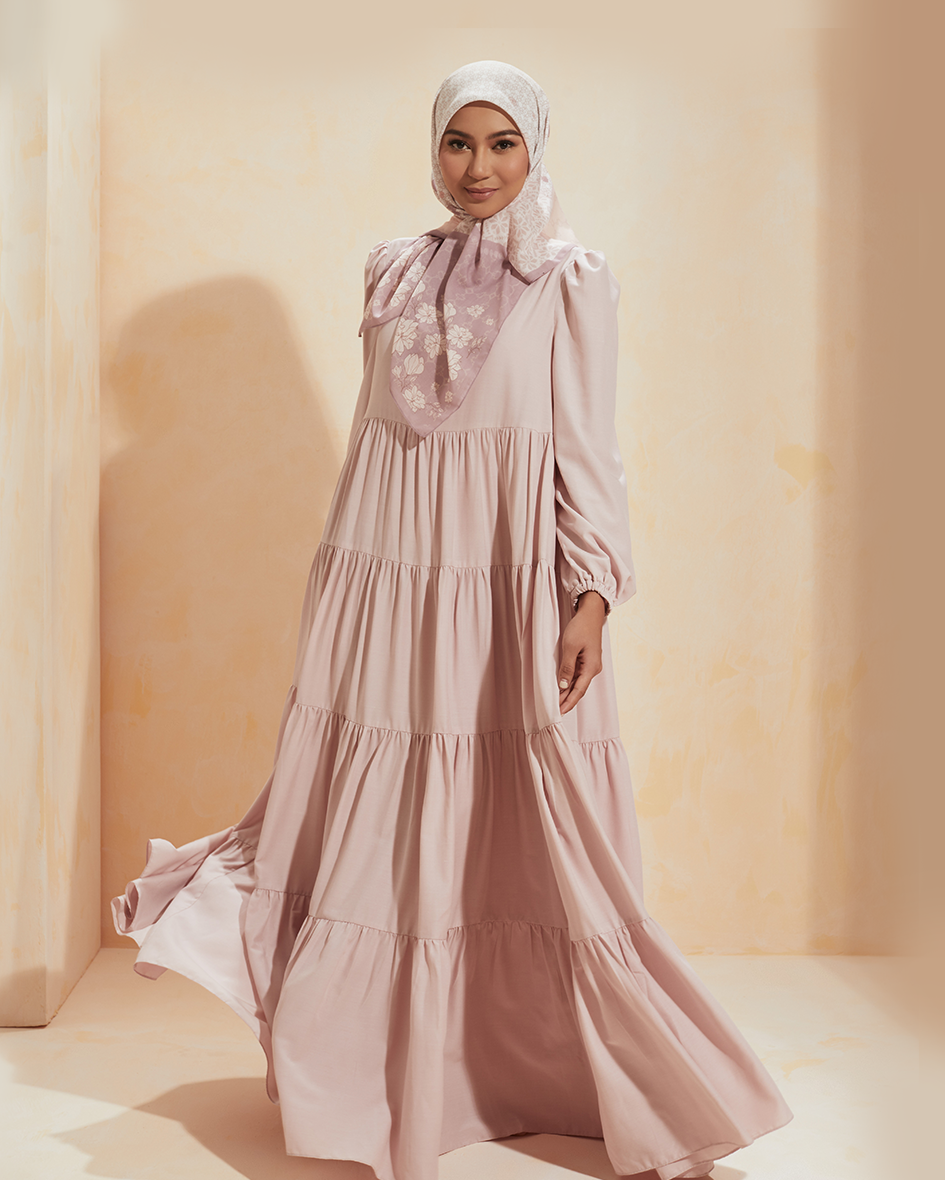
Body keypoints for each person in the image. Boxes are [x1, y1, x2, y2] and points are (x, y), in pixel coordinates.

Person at [112, 60, 793, 1180]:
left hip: (504, 580)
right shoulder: (392, 267)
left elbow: (587, 446)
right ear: (434, 150)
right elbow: (374, 442)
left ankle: (561, 1070)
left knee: (523, 812)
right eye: (458, 143)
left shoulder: (571, 278)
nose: (478, 168)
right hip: (385, 580)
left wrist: (591, 592)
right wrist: (344, 593)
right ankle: (382, 1075)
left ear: (535, 149)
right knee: (377, 817)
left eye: (502, 143)